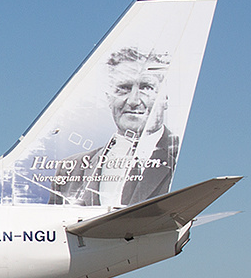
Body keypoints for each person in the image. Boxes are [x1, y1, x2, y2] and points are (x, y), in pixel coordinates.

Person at [49, 47, 178, 207]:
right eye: (124, 88)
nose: (133, 100)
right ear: (109, 98)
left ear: (165, 98)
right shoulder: (71, 168)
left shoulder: (180, 156)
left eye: (146, 88)